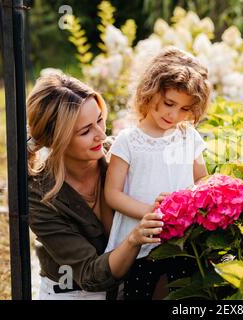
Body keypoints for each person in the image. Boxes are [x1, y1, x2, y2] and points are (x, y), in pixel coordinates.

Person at [27, 72, 164, 300]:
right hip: (71, 292)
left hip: (130, 286)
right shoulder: (40, 194)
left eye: (100, 120)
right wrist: (133, 239)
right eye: (85, 131)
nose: (101, 135)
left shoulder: (120, 156)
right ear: (56, 140)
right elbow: (90, 274)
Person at [104, 46, 212, 300]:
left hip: (182, 241)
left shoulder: (189, 137)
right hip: (141, 240)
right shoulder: (129, 141)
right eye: (169, 103)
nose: (174, 115)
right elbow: (112, 194)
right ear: (150, 92)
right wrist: (151, 213)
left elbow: (202, 179)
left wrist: (193, 203)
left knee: (182, 294)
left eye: (185, 109)